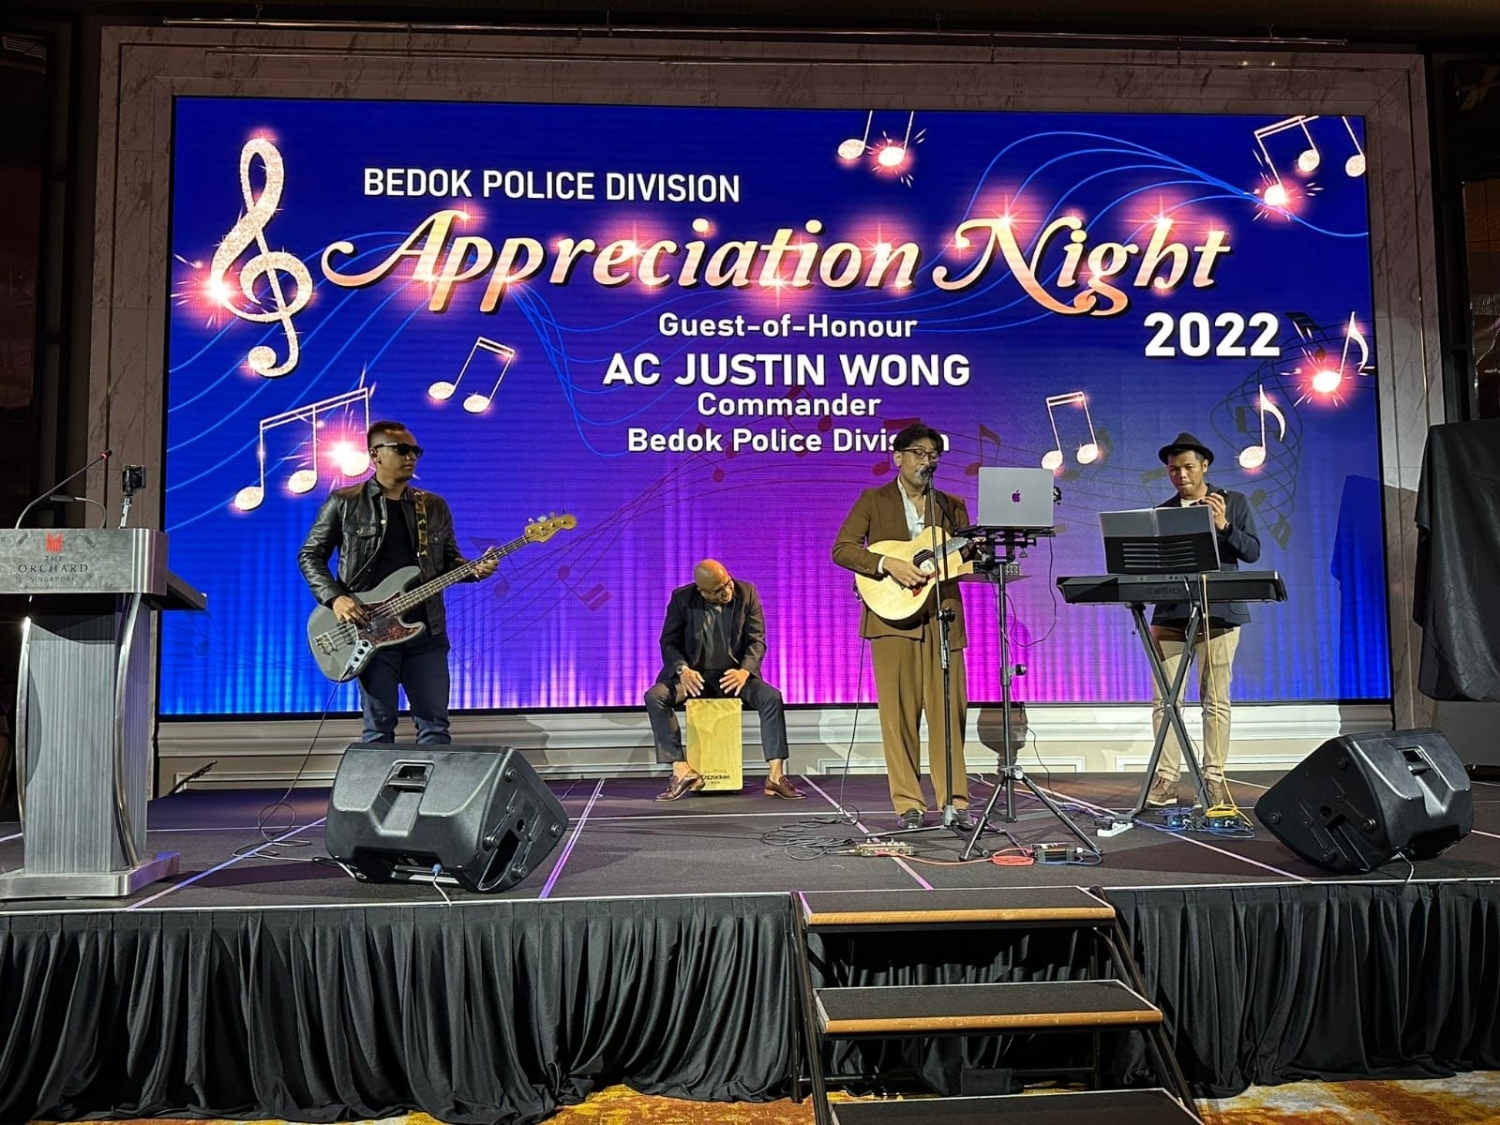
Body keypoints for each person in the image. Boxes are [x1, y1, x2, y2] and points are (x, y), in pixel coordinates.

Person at [299, 420, 497, 744]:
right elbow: (310, 555)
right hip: (370, 630)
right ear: (375, 454)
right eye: (402, 450)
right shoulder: (344, 501)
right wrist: (336, 599)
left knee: (435, 726)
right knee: (378, 729)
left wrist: (475, 570)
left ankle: (436, 780)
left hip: (427, 631)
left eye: (416, 451)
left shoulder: (433, 506)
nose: (411, 457)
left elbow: (450, 562)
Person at [832, 422, 974, 830]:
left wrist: (978, 554)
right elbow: (842, 549)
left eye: (933, 455)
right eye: (918, 453)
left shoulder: (951, 505)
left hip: (942, 617)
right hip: (890, 621)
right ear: (898, 457)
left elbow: (964, 558)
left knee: (949, 713)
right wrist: (886, 564)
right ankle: (909, 803)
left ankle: (954, 802)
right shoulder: (873, 500)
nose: (926, 461)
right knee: (899, 716)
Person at [1146, 431, 1262, 809]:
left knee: (1215, 699)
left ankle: (1212, 779)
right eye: (1173, 469)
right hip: (1171, 614)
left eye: (1188, 467)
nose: (1180, 475)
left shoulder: (1233, 502)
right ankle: (1166, 779)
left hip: (1219, 612)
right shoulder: (1162, 512)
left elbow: (1252, 552)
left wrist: (1224, 525)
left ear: (1205, 466)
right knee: (1165, 701)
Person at [645, 559, 803, 802]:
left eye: (727, 583)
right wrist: (682, 669)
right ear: (702, 591)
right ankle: (681, 769)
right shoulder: (682, 598)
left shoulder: (747, 593)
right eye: (718, 590)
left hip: (734, 677)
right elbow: (669, 642)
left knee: (771, 698)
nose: (727, 591)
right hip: (695, 679)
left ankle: (775, 776)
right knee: (655, 697)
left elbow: (757, 641)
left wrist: (745, 670)